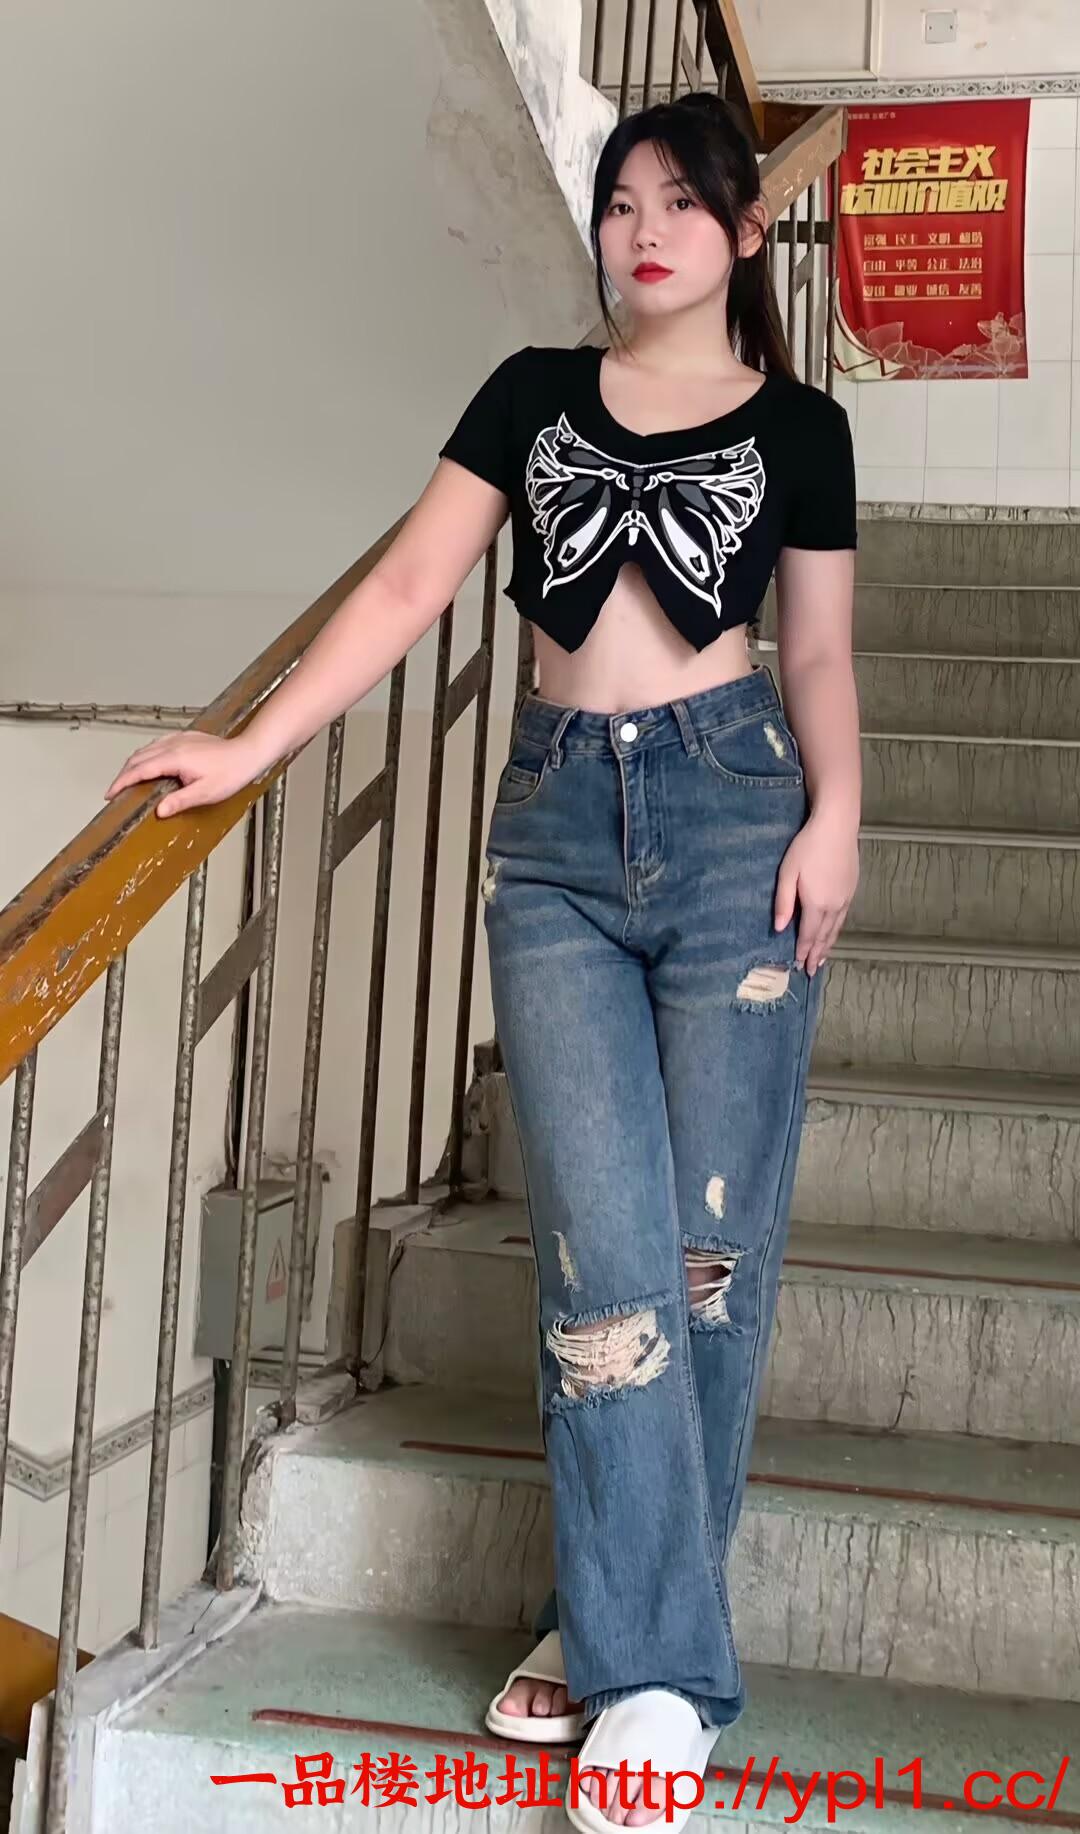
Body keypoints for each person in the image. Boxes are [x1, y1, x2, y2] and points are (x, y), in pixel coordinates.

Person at [107, 91, 860, 1834]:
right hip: (555, 840)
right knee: (600, 1252)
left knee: (705, 1263)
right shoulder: (530, 394)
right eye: (621, 201)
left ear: (747, 233)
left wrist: (841, 812)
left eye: (682, 204)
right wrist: (248, 747)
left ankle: (631, 1652)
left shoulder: (800, 428)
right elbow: (400, 595)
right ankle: (650, 1653)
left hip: (739, 816)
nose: (643, 230)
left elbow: (818, 651)